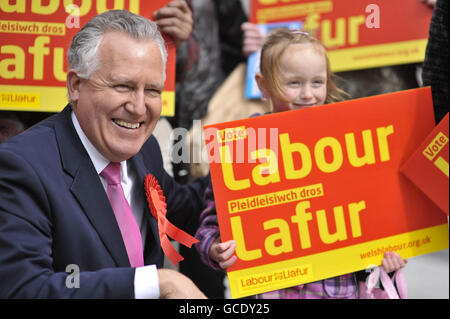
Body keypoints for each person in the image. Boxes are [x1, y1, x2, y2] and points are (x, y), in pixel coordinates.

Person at [0, 10, 207, 299]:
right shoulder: (20, 167)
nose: (138, 107)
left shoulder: (145, 150)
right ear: (75, 85)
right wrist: (157, 284)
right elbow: (25, 289)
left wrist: (266, 160)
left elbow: (184, 209)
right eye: (123, 86)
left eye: (152, 90)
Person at [196, 29, 407, 299]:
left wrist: (389, 257)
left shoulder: (348, 145)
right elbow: (210, 224)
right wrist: (214, 248)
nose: (307, 94)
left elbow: (373, 219)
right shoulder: (242, 147)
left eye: (317, 82)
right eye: (294, 83)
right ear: (263, 85)